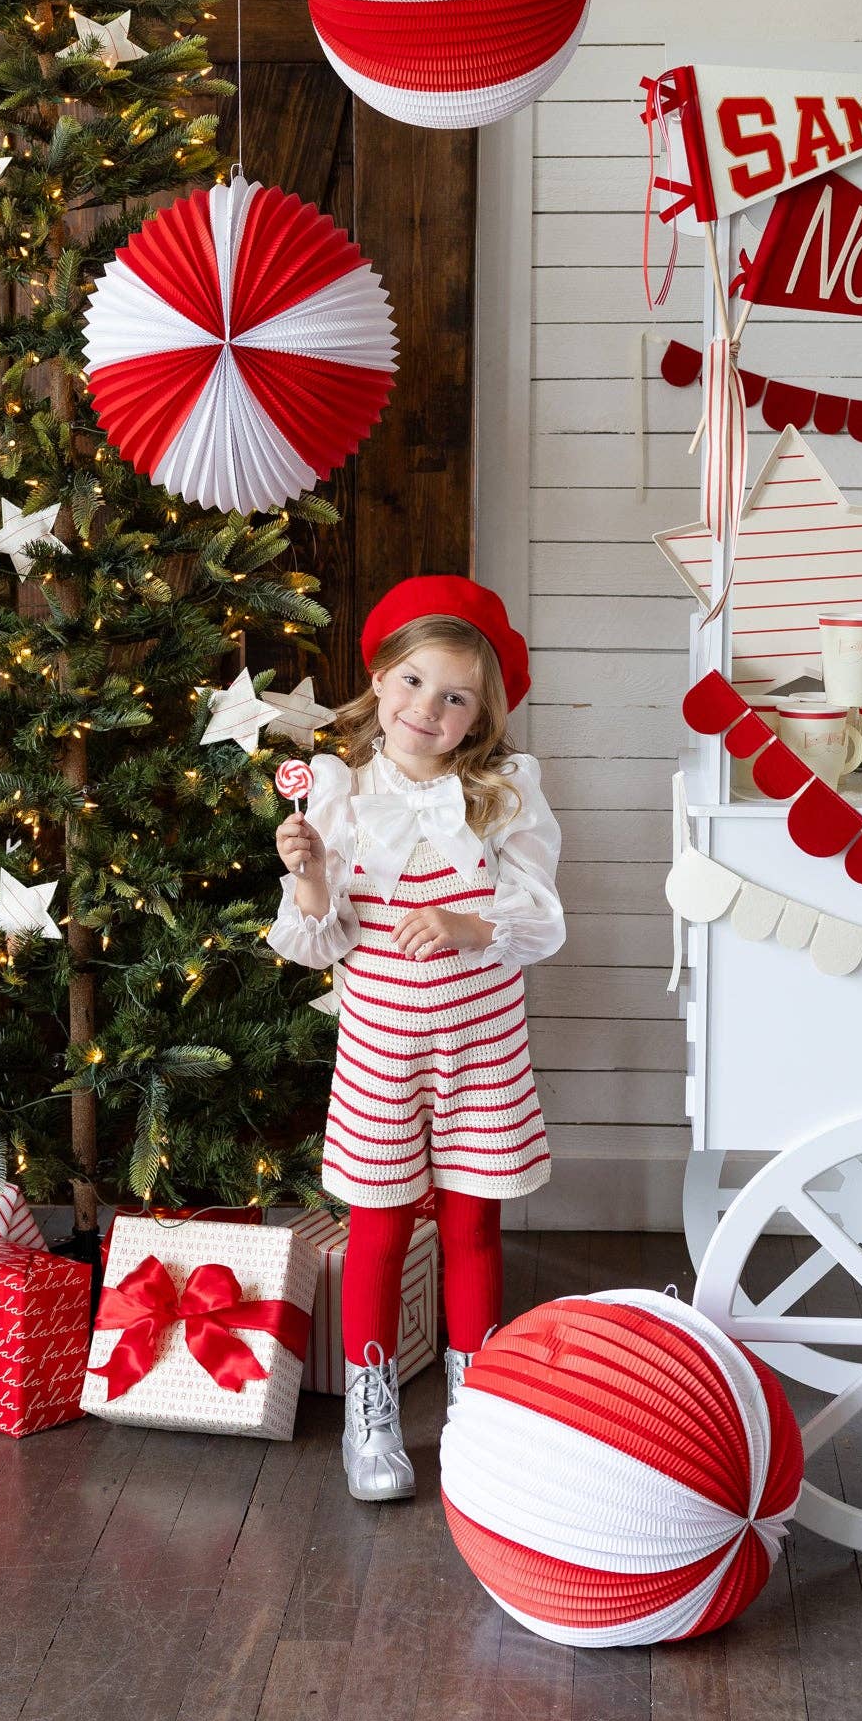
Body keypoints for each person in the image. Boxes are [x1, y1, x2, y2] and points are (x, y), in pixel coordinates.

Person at [268, 576, 565, 1500]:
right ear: (380, 681)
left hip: (484, 1042)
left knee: (475, 1219)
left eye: (455, 696)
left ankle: (477, 1410)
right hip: (381, 1047)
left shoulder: (508, 793)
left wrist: (467, 925)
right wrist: (311, 872)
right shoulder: (339, 792)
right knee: (381, 1222)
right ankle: (374, 1407)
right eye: (411, 682)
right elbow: (320, 934)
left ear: (480, 718)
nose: (426, 709)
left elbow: (542, 916)